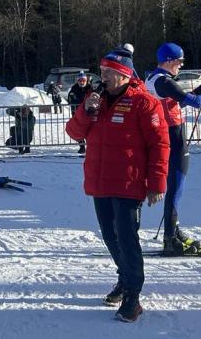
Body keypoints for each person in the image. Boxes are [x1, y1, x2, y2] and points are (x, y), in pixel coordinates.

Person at [66, 46, 170, 323]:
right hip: (100, 182)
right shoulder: (94, 99)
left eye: (110, 73)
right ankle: (124, 279)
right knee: (110, 237)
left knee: (126, 238)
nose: (105, 77)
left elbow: (159, 144)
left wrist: (157, 183)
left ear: (124, 75)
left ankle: (133, 296)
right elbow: (74, 133)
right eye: (102, 72)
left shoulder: (144, 102)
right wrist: (86, 112)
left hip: (129, 182)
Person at [145, 42, 201, 255]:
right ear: (169, 61)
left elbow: (178, 102)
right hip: (173, 138)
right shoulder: (164, 81)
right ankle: (170, 237)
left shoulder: (154, 78)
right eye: (179, 61)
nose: (181, 65)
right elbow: (196, 103)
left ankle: (173, 230)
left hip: (166, 135)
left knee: (174, 188)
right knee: (176, 188)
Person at [67, 71, 91, 154]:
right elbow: (70, 99)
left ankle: (90, 145)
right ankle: (82, 146)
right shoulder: (74, 88)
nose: (81, 82)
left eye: (83, 80)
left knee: (89, 130)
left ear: (86, 80)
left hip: (88, 113)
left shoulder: (90, 88)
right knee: (78, 130)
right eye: (80, 80)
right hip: (76, 112)